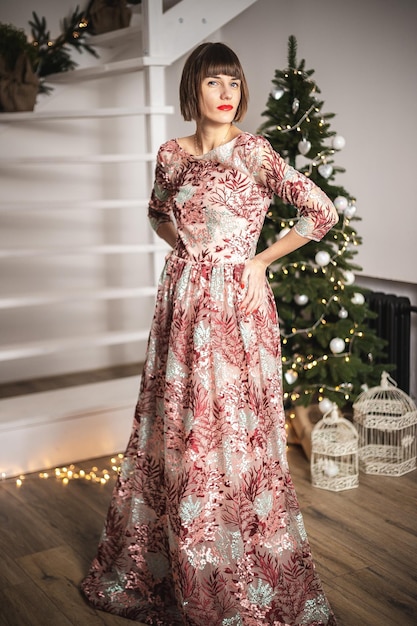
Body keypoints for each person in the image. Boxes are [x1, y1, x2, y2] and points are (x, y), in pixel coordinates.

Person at [81, 42, 339, 625]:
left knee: (229, 432)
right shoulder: (171, 154)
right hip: (181, 304)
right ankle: (181, 558)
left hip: (235, 311)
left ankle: (233, 564)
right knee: (174, 428)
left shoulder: (254, 152)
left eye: (234, 83)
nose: (227, 95)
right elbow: (155, 211)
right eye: (214, 83)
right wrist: (187, 255)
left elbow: (321, 212)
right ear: (192, 89)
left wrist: (257, 262)